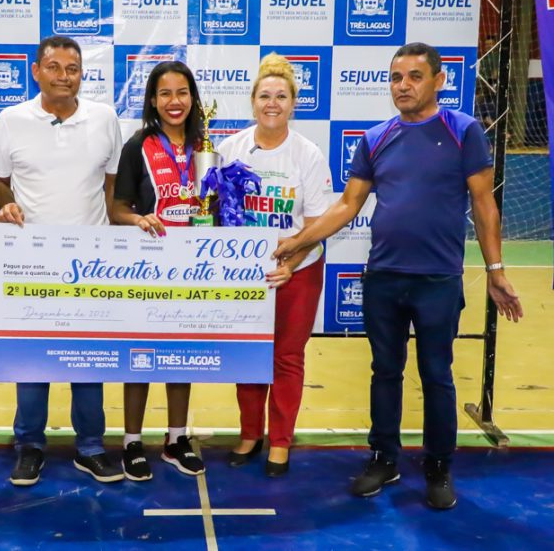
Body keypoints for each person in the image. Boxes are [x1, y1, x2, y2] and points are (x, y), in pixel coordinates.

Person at [274, 42, 524, 509]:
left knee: (436, 374)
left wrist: (496, 270)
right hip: (384, 279)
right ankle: (383, 458)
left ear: (438, 80)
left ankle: (438, 465)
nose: (403, 86)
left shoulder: (463, 131)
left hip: (438, 280)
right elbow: (348, 206)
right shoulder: (375, 138)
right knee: (385, 372)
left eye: (413, 76)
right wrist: (298, 242)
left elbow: (484, 204)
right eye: (396, 77)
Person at [0, 36, 124, 485]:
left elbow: (111, 189)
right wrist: (4, 204)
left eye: (72, 68)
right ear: (36, 71)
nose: (63, 75)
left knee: (89, 361)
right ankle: (29, 445)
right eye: (54, 66)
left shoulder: (104, 118)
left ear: (82, 73)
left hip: (92, 262)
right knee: (33, 361)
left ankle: (90, 447)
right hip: (33, 262)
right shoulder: (11, 120)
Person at [220, 54, 334, 477]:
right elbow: (218, 214)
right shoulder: (231, 149)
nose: (273, 103)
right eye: (265, 96)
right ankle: (250, 433)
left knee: (287, 357)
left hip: (299, 271)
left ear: (293, 103)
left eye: (281, 96)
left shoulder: (307, 154)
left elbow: (317, 224)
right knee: (249, 355)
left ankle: (280, 440)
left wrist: (293, 260)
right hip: (245, 273)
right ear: (253, 102)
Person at [110, 61, 208, 481]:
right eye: (165, 94)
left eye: (182, 92)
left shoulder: (203, 145)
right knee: (140, 357)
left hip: (192, 269)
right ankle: (132, 440)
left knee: (180, 357)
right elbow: (116, 209)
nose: (174, 102)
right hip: (146, 267)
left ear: (192, 97)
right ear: (152, 100)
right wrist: (139, 220)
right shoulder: (138, 145)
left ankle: (175, 438)